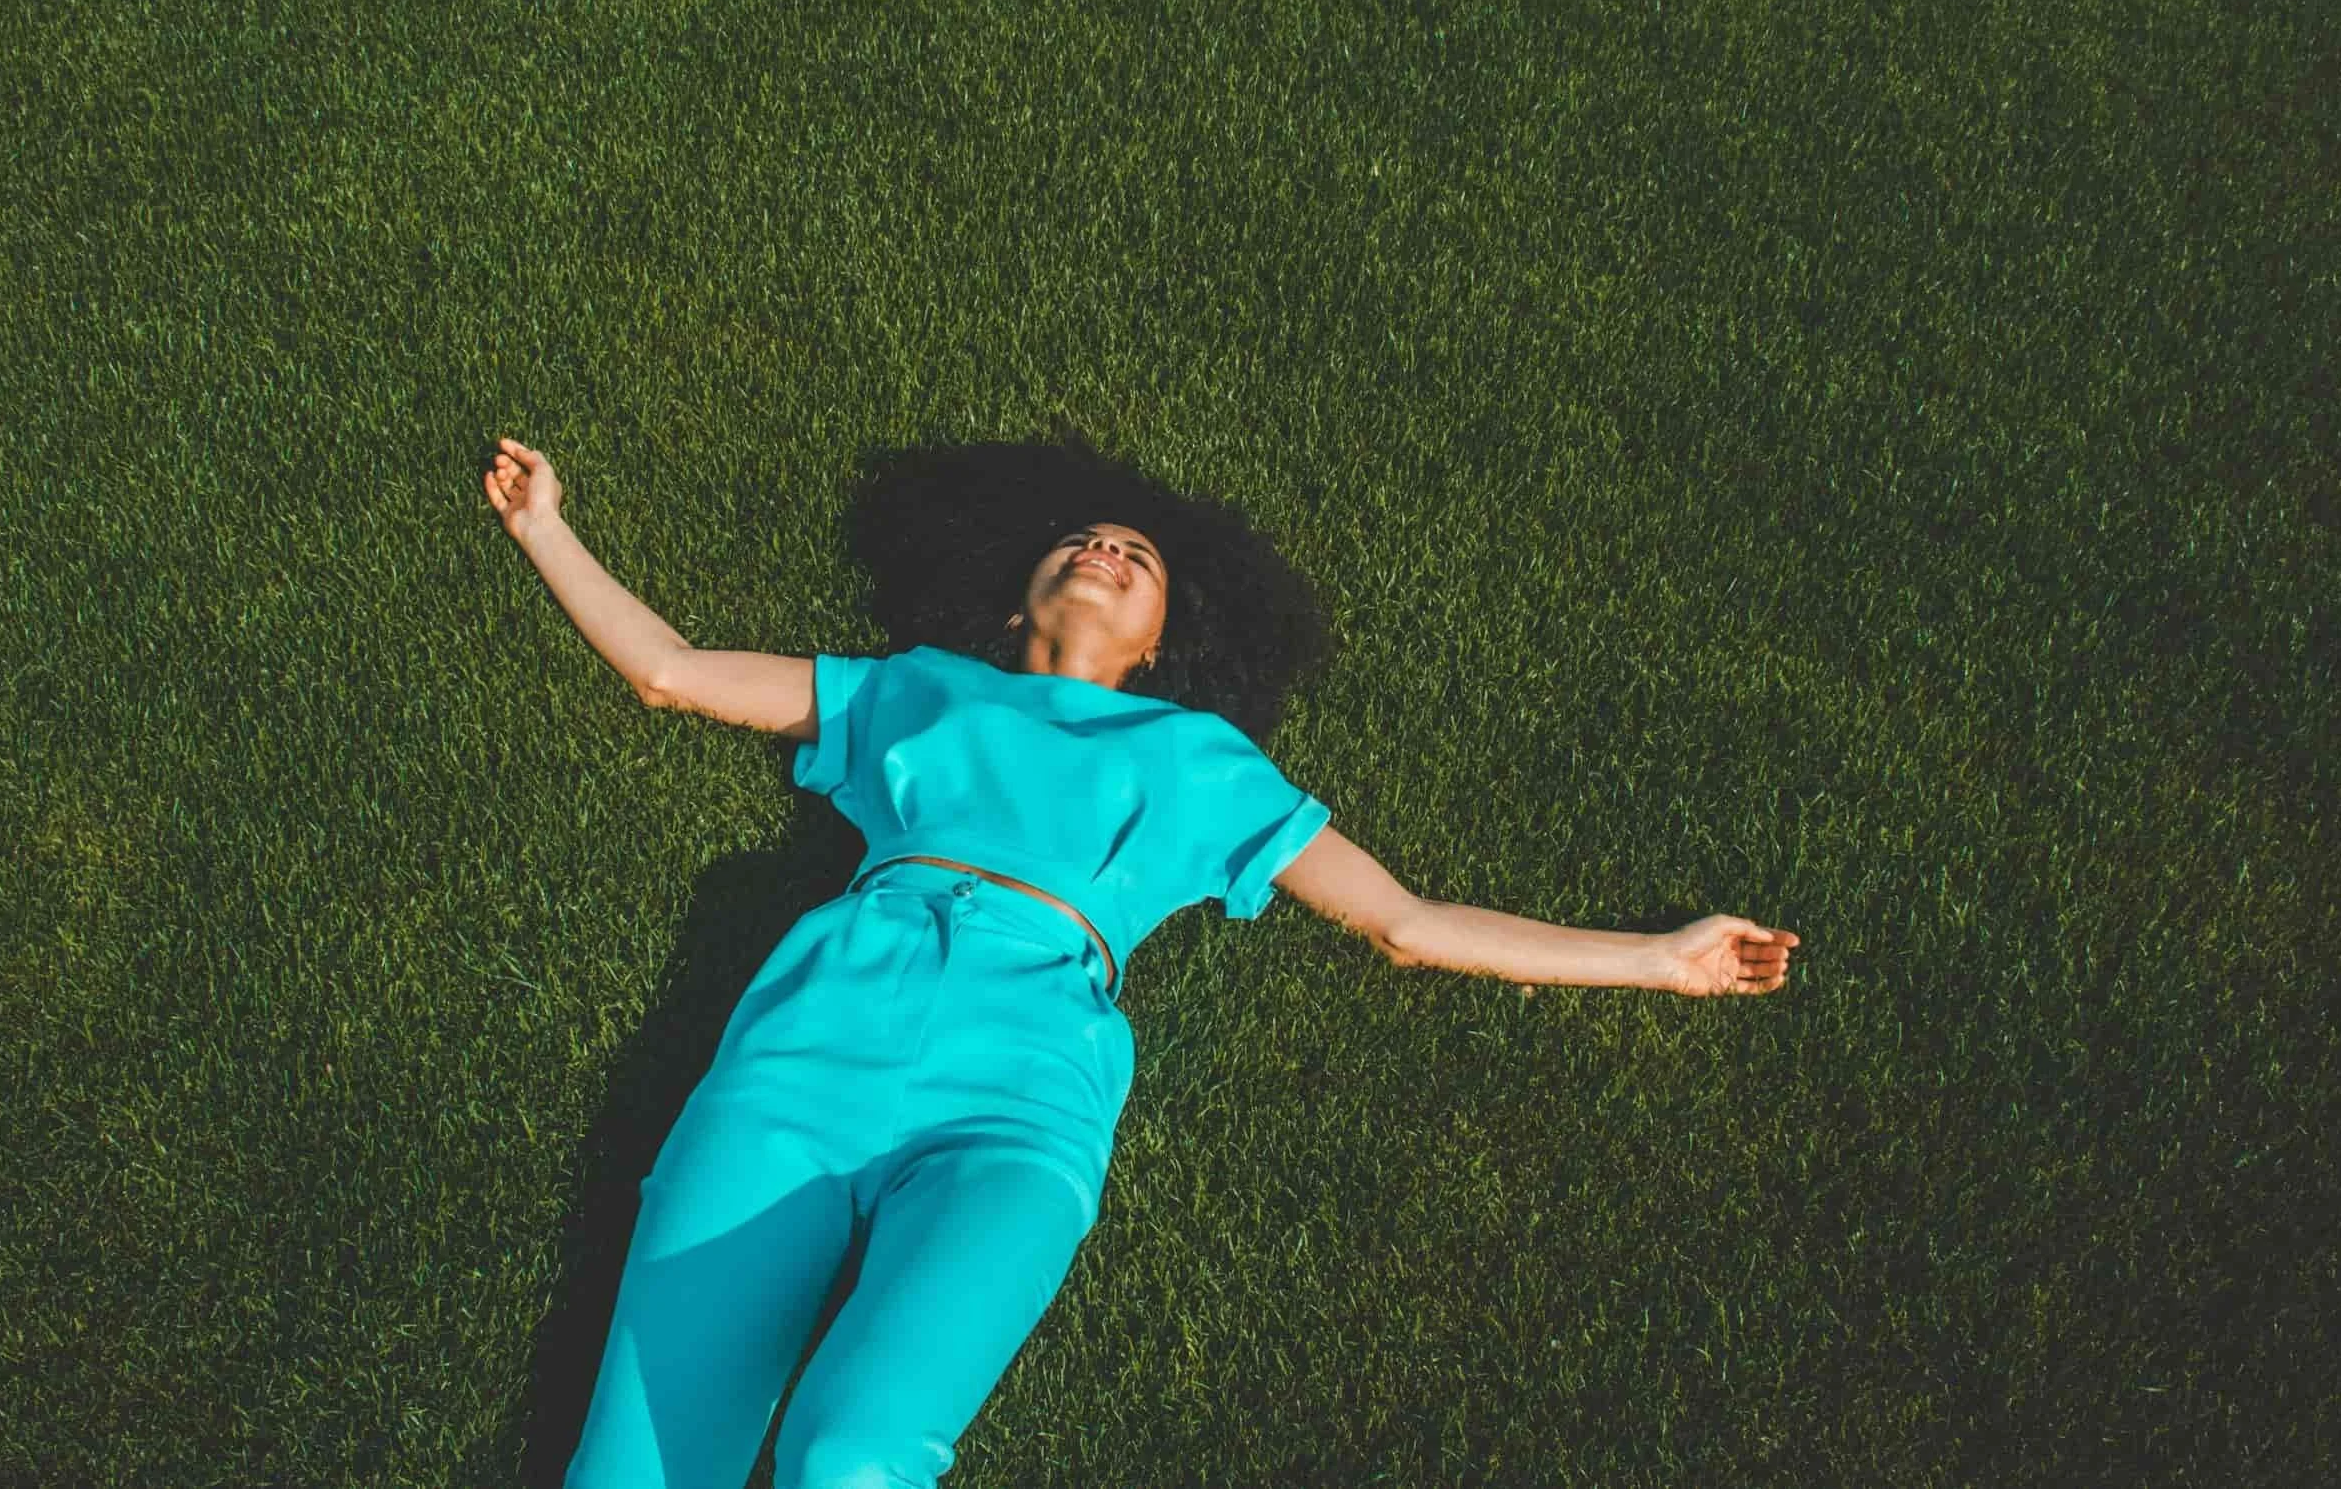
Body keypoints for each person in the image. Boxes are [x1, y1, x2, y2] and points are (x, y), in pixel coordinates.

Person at [482, 428, 1800, 1488]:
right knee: (635, 1469)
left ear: (1163, 641)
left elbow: (1408, 923)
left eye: (1138, 556)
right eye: (1083, 538)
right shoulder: (915, 685)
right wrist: (548, 525)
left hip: (1018, 1098)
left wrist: (1660, 958)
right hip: (805, 1052)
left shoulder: (1204, 767)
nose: (1108, 548)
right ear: (1019, 598)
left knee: (857, 1452)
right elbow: (667, 671)